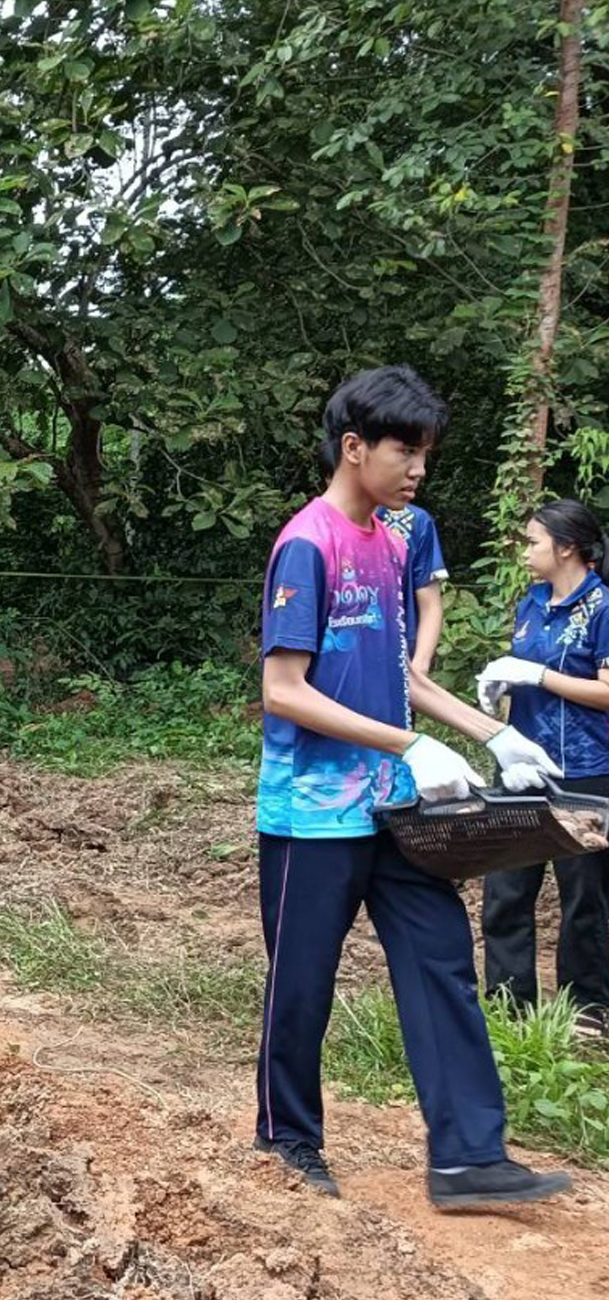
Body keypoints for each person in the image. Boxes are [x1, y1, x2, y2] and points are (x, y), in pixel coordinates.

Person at [254, 365, 569, 1210]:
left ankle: (469, 1155)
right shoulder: (307, 542)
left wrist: (492, 731)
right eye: (405, 449)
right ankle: (288, 1143)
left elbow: (400, 670)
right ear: (354, 448)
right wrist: (409, 742)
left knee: (439, 960)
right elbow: (284, 688)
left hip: (393, 809)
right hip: (310, 817)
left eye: (425, 452)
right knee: (303, 982)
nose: (418, 468)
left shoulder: (393, 543)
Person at [472, 499, 609, 1038]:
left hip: (585, 768)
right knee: (506, 887)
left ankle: (587, 1011)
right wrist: (502, 689)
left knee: (584, 897)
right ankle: (508, 1007)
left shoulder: (601, 607)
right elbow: (522, 674)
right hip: (524, 768)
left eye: (533, 541)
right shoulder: (531, 603)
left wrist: (538, 676)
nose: (525, 551)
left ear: (567, 547)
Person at [378, 503, 448, 675]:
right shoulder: (318, 525)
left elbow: (430, 604)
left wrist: (420, 665)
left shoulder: (415, 521)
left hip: (400, 661)